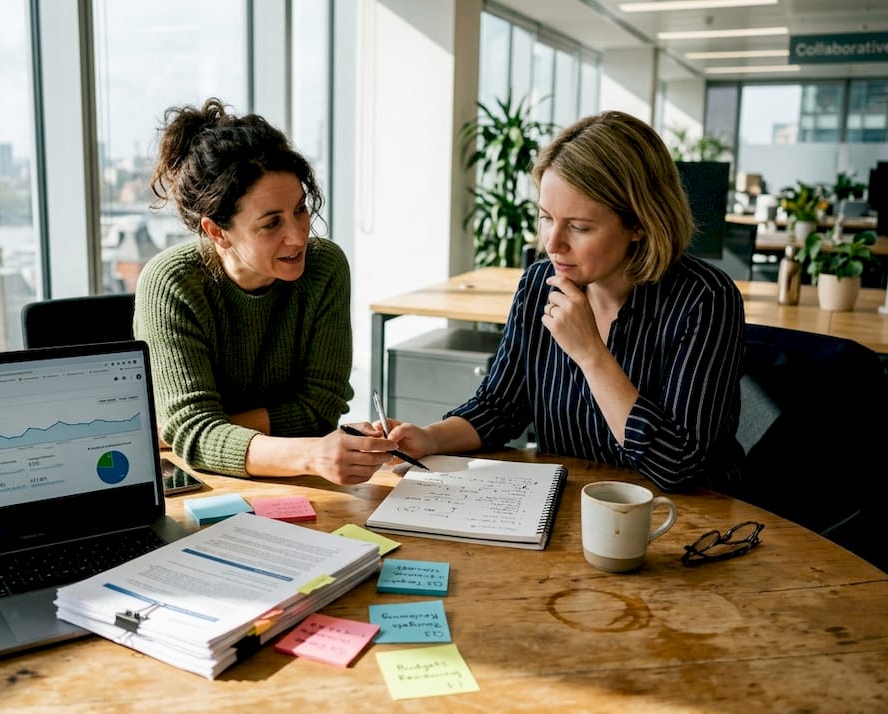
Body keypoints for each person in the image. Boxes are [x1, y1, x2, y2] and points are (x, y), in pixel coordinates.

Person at [384, 110, 746, 492]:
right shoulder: (540, 283)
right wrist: (430, 438)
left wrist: (591, 353)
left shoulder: (706, 299)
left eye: (579, 227)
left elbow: (678, 465)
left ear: (640, 223)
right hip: (571, 503)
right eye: (546, 218)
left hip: (683, 518)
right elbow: (499, 407)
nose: (553, 245)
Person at [134, 98, 396, 485]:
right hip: (201, 488)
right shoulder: (172, 282)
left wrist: (215, 430)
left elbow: (320, 409)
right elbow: (192, 434)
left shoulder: (325, 267)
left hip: (289, 484)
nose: (298, 235)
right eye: (271, 223)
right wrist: (309, 452)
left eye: (300, 210)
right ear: (217, 232)